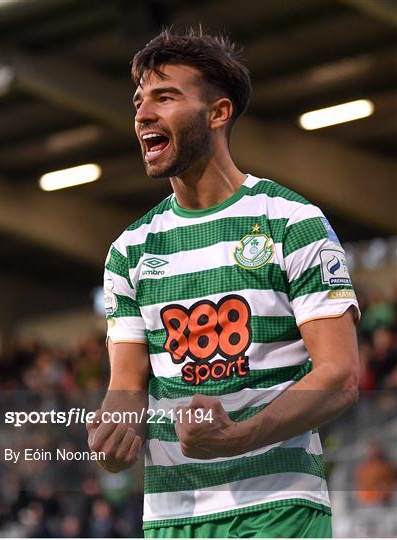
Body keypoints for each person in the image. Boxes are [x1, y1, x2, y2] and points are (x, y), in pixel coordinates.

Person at [87, 28, 360, 538]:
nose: (143, 114)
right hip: (173, 520)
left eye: (165, 98)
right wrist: (115, 433)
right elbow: (126, 388)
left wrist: (239, 437)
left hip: (279, 511)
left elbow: (340, 376)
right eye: (139, 101)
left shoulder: (291, 222)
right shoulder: (129, 251)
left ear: (218, 113)